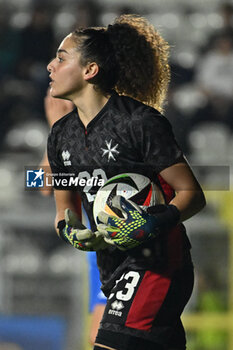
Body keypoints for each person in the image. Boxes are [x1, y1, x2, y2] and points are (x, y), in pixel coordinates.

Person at [47, 14, 206, 350]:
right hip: (112, 268)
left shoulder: (140, 122)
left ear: (90, 70)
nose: (50, 66)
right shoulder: (60, 135)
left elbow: (192, 193)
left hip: (159, 263)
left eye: (61, 58)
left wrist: (151, 222)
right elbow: (63, 207)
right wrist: (70, 230)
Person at [39, 92, 107, 346]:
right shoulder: (71, 129)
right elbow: (42, 183)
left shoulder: (110, 125)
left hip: (127, 245)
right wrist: (58, 128)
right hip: (100, 253)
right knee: (99, 338)